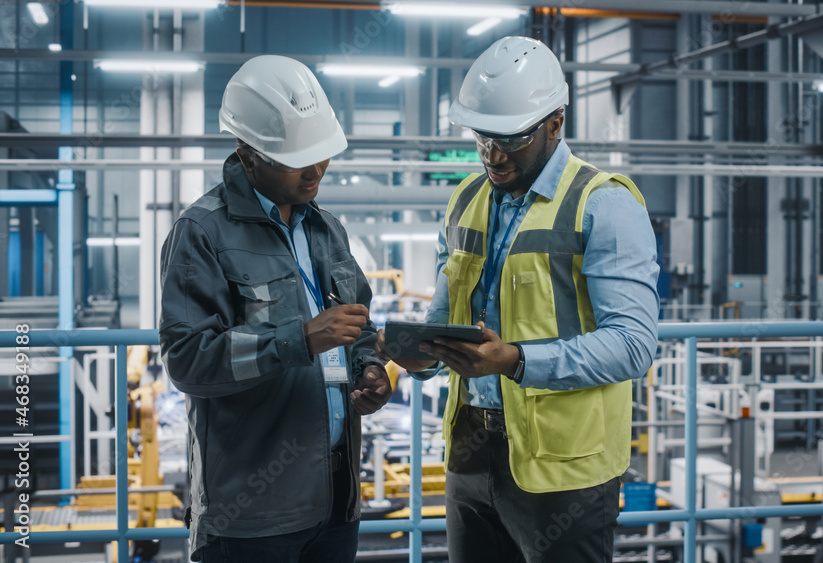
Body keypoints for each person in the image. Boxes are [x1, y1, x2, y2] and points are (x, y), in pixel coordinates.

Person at [377, 36, 660, 563]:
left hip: (563, 467)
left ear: (556, 122)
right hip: (470, 453)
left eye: (512, 138)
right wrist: (416, 354)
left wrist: (518, 361)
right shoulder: (465, 199)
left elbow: (633, 344)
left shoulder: (604, 205)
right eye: (483, 137)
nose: (494, 154)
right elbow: (446, 320)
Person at [159, 55, 392, 563]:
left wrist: (368, 369)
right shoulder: (202, 233)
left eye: (322, 153)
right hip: (252, 515)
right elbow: (189, 361)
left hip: (335, 497)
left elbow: (356, 326)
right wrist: (299, 340)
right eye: (295, 159)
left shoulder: (327, 229)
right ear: (248, 155)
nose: (315, 170)